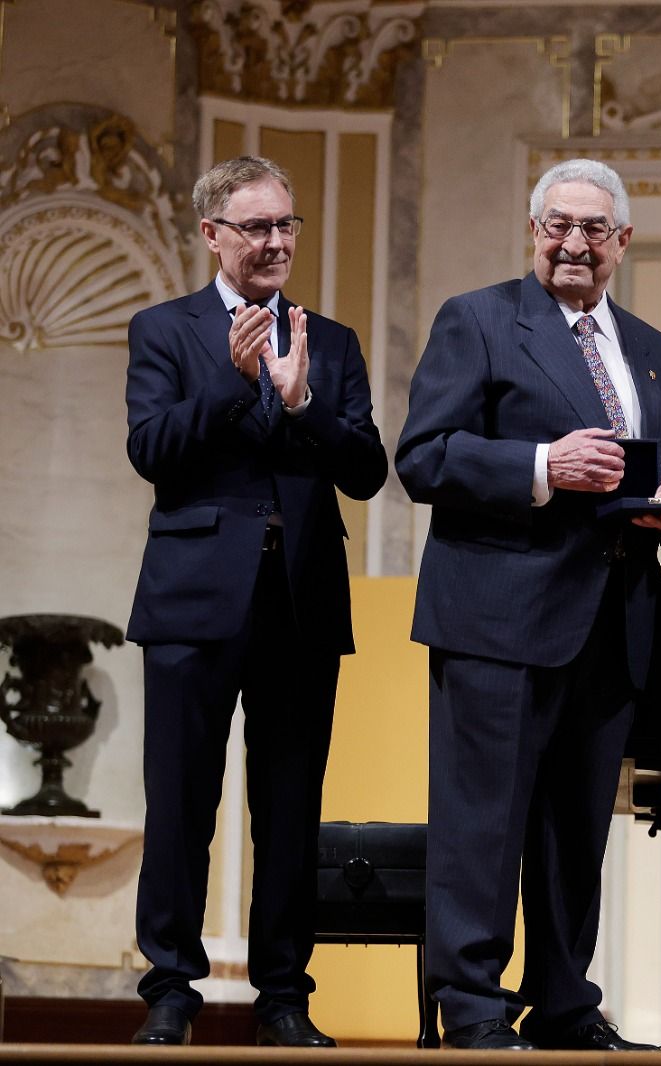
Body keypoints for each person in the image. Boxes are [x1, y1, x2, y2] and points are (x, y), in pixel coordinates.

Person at [395, 157, 661, 1052]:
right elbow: (423, 457)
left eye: (593, 230)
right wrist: (542, 467)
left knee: (577, 833)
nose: (574, 243)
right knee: (482, 826)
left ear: (623, 242)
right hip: (496, 617)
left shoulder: (654, 351)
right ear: (534, 232)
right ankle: (475, 1006)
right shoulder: (480, 320)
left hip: (612, 620)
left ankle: (566, 1002)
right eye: (557, 226)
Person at [124, 155, 388, 1047]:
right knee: (182, 802)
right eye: (258, 227)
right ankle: (170, 987)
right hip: (194, 598)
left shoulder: (335, 340)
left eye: (287, 225)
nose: (277, 242)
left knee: (289, 809)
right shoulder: (164, 330)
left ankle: (284, 994)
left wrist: (303, 398)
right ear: (212, 234)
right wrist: (231, 387)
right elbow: (151, 449)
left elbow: (366, 468)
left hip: (301, 600)